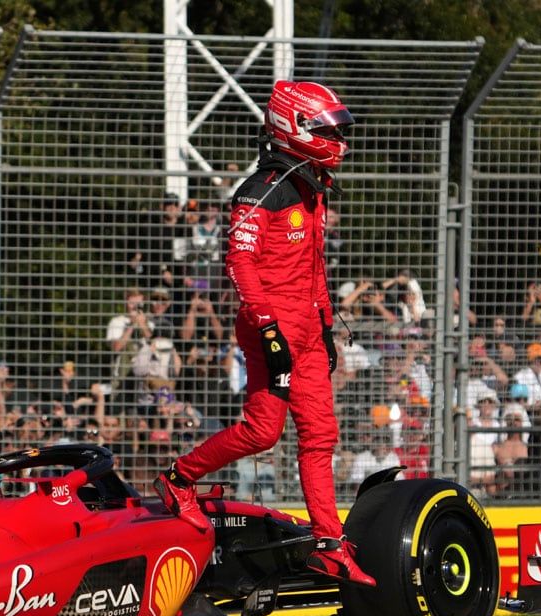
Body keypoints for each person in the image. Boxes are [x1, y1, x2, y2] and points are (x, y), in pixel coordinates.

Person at [154, 80, 375, 586]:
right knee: (263, 432)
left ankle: (328, 543)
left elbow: (313, 270)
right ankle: (178, 478)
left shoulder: (311, 186)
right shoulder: (261, 189)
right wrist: (268, 326)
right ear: (293, 127)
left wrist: (325, 325)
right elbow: (239, 262)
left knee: (321, 435)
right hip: (270, 327)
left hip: (308, 331)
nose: (338, 141)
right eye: (328, 130)